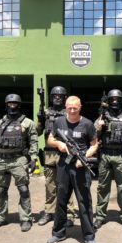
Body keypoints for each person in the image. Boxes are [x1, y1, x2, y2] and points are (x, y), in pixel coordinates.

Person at [46, 96, 98, 243]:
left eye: (75, 107)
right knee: (61, 199)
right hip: (63, 165)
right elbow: (50, 139)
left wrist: (84, 158)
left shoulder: (87, 124)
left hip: (80, 166)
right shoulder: (59, 122)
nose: (73, 110)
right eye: (70, 108)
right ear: (65, 107)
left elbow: (94, 145)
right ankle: (58, 233)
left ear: (80, 107)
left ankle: (89, 235)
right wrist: (58, 143)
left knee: (84, 201)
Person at [0, 94, 38, 232]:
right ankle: (0, 217)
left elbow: (33, 141)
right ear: (6, 105)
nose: (12, 105)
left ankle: (25, 218)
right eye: (9, 103)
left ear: (19, 105)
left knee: (23, 190)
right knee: (1, 190)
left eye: (15, 103)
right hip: (2, 160)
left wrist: (33, 158)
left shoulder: (28, 122)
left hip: (19, 159)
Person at [93, 89, 122, 230]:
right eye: (112, 99)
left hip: (120, 156)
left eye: (117, 99)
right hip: (105, 155)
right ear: (109, 101)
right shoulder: (102, 117)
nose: (115, 102)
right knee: (102, 187)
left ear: (121, 101)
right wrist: (100, 126)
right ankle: (100, 216)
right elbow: (93, 135)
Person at [36, 86, 77, 227]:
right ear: (51, 97)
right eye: (55, 96)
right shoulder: (46, 112)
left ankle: (70, 214)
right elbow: (38, 132)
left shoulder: (69, 112)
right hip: (49, 153)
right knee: (50, 184)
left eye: (60, 96)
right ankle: (49, 211)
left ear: (65, 98)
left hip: (65, 152)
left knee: (67, 184)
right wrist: (40, 119)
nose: (57, 98)